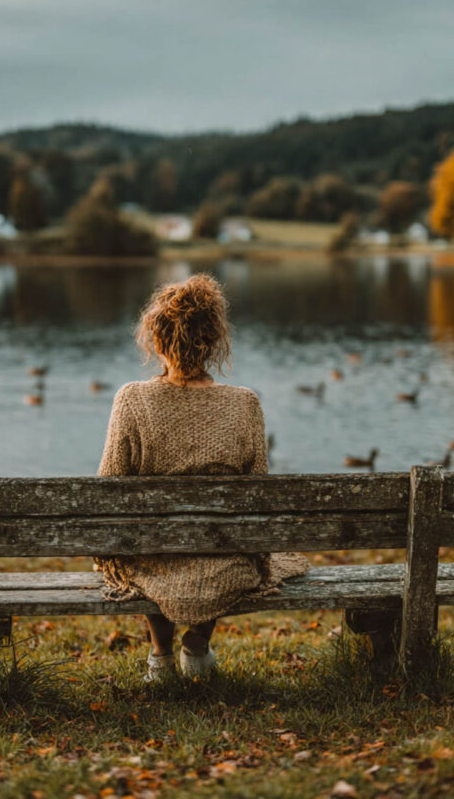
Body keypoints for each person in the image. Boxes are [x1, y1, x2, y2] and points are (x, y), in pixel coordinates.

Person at [95, 273, 309, 682]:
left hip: (151, 557)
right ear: (213, 341)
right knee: (220, 551)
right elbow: (256, 497)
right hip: (221, 559)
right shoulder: (244, 404)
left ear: (156, 340)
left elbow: (109, 488)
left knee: (144, 551)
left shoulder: (131, 399)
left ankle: (160, 656)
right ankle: (196, 644)